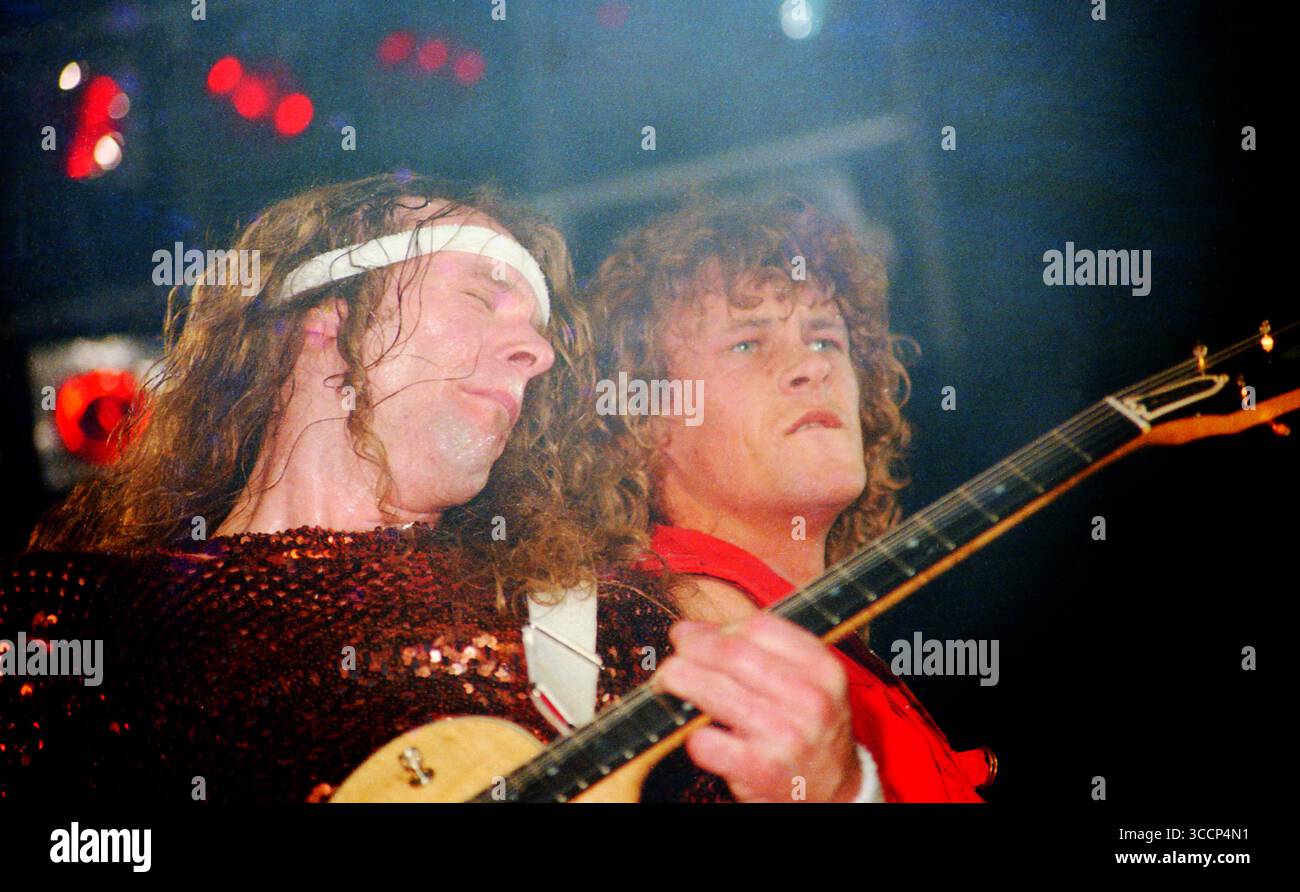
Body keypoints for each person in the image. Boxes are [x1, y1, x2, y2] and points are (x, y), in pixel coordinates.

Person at [0, 172, 661, 802]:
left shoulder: (603, 631)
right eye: (479, 299)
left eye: (538, 334)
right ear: (327, 320)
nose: (539, 354)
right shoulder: (78, 622)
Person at [578, 190, 997, 802]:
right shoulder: (669, 628)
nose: (811, 367)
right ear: (643, 421)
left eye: (826, 339)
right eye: (747, 344)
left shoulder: (804, 622)